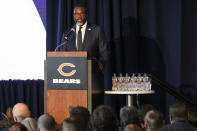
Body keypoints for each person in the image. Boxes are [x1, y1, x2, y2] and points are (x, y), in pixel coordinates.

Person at [60, 4, 110, 70]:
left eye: (81, 13)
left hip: (92, 71)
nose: (79, 17)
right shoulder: (68, 33)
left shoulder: (97, 30)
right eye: (76, 14)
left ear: (86, 15)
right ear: (73, 16)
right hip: (72, 72)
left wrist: (101, 65)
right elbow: (63, 53)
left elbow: (104, 52)